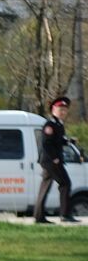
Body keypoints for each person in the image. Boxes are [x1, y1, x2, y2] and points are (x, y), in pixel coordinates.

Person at [34, 96, 77, 224]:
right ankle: (64, 215)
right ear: (53, 109)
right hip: (51, 161)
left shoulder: (58, 124)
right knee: (65, 184)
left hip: (51, 161)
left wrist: (68, 141)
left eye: (65, 110)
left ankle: (39, 216)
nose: (63, 112)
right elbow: (46, 144)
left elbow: (57, 140)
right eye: (60, 109)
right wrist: (55, 158)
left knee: (45, 187)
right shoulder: (50, 124)